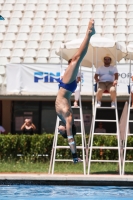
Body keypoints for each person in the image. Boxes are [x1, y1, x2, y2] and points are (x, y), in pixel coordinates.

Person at [55, 19, 95, 163]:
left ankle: (89, 34)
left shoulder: (63, 118)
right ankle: (89, 34)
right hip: (66, 86)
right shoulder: (68, 120)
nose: (59, 132)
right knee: (76, 59)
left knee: (75, 60)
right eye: (62, 133)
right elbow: (71, 139)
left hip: (65, 86)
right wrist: (74, 156)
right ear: (67, 129)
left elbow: (69, 136)